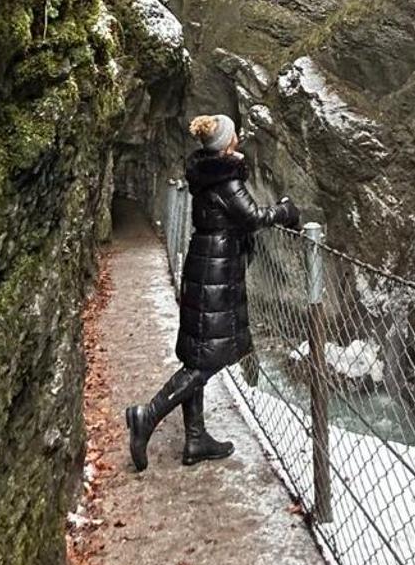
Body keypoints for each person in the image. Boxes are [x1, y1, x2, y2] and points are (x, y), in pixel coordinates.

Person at [126, 113, 300, 471]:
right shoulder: (225, 177)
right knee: (209, 359)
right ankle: (148, 415)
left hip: (204, 266)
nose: (238, 137)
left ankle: (196, 439)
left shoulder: (208, 172)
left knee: (199, 355)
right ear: (226, 142)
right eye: (234, 134)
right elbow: (252, 217)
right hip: (216, 274)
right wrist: (285, 211)